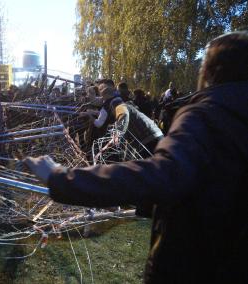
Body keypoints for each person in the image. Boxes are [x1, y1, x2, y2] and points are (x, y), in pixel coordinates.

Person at [25, 31, 248, 283]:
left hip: (195, 263)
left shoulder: (205, 114)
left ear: (209, 72)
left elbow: (161, 173)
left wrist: (63, 178)